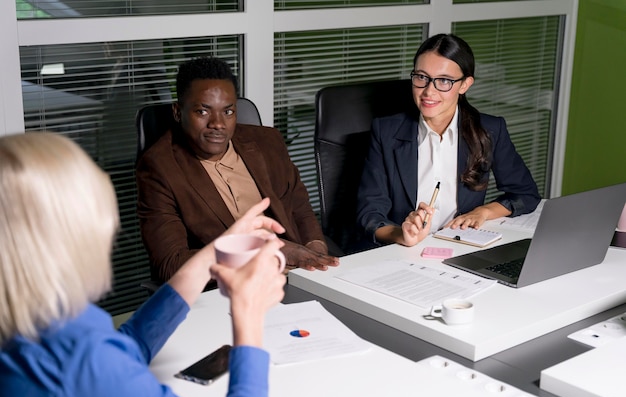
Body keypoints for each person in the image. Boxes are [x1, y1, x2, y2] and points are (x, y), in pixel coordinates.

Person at [0, 132, 287, 397]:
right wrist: (248, 314)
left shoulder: (36, 329)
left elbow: (124, 351)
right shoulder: (77, 364)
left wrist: (216, 251)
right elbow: (101, 367)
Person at [136, 56, 339, 283]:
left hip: (296, 276)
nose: (218, 124)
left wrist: (315, 251)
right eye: (203, 112)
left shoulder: (267, 141)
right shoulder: (159, 168)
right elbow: (171, 265)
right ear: (177, 112)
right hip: (232, 286)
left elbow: (298, 206)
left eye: (228, 111)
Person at [357, 33, 541, 247]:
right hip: (403, 252)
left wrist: (483, 212)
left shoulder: (490, 130)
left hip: (461, 247)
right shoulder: (385, 132)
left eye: (444, 81)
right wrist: (401, 234)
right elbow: (369, 213)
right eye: (421, 77)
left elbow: (525, 193)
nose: (428, 91)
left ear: (464, 85)